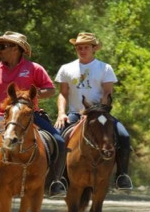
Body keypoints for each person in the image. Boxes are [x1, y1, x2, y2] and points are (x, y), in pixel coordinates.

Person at [0, 31, 67, 199]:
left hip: (30, 114)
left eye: (2, 46)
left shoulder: (34, 68)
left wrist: (30, 95)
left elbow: (50, 89)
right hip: (2, 116)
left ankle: (55, 182)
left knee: (60, 141)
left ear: (16, 49)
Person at [54, 32, 133, 190]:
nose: (82, 50)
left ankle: (122, 175)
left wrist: (94, 114)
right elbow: (63, 94)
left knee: (124, 136)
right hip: (75, 113)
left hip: (100, 115)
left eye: (85, 47)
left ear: (94, 48)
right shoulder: (66, 68)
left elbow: (107, 94)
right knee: (57, 138)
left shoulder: (105, 68)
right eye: (79, 48)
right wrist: (61, 114)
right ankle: (58, 178)